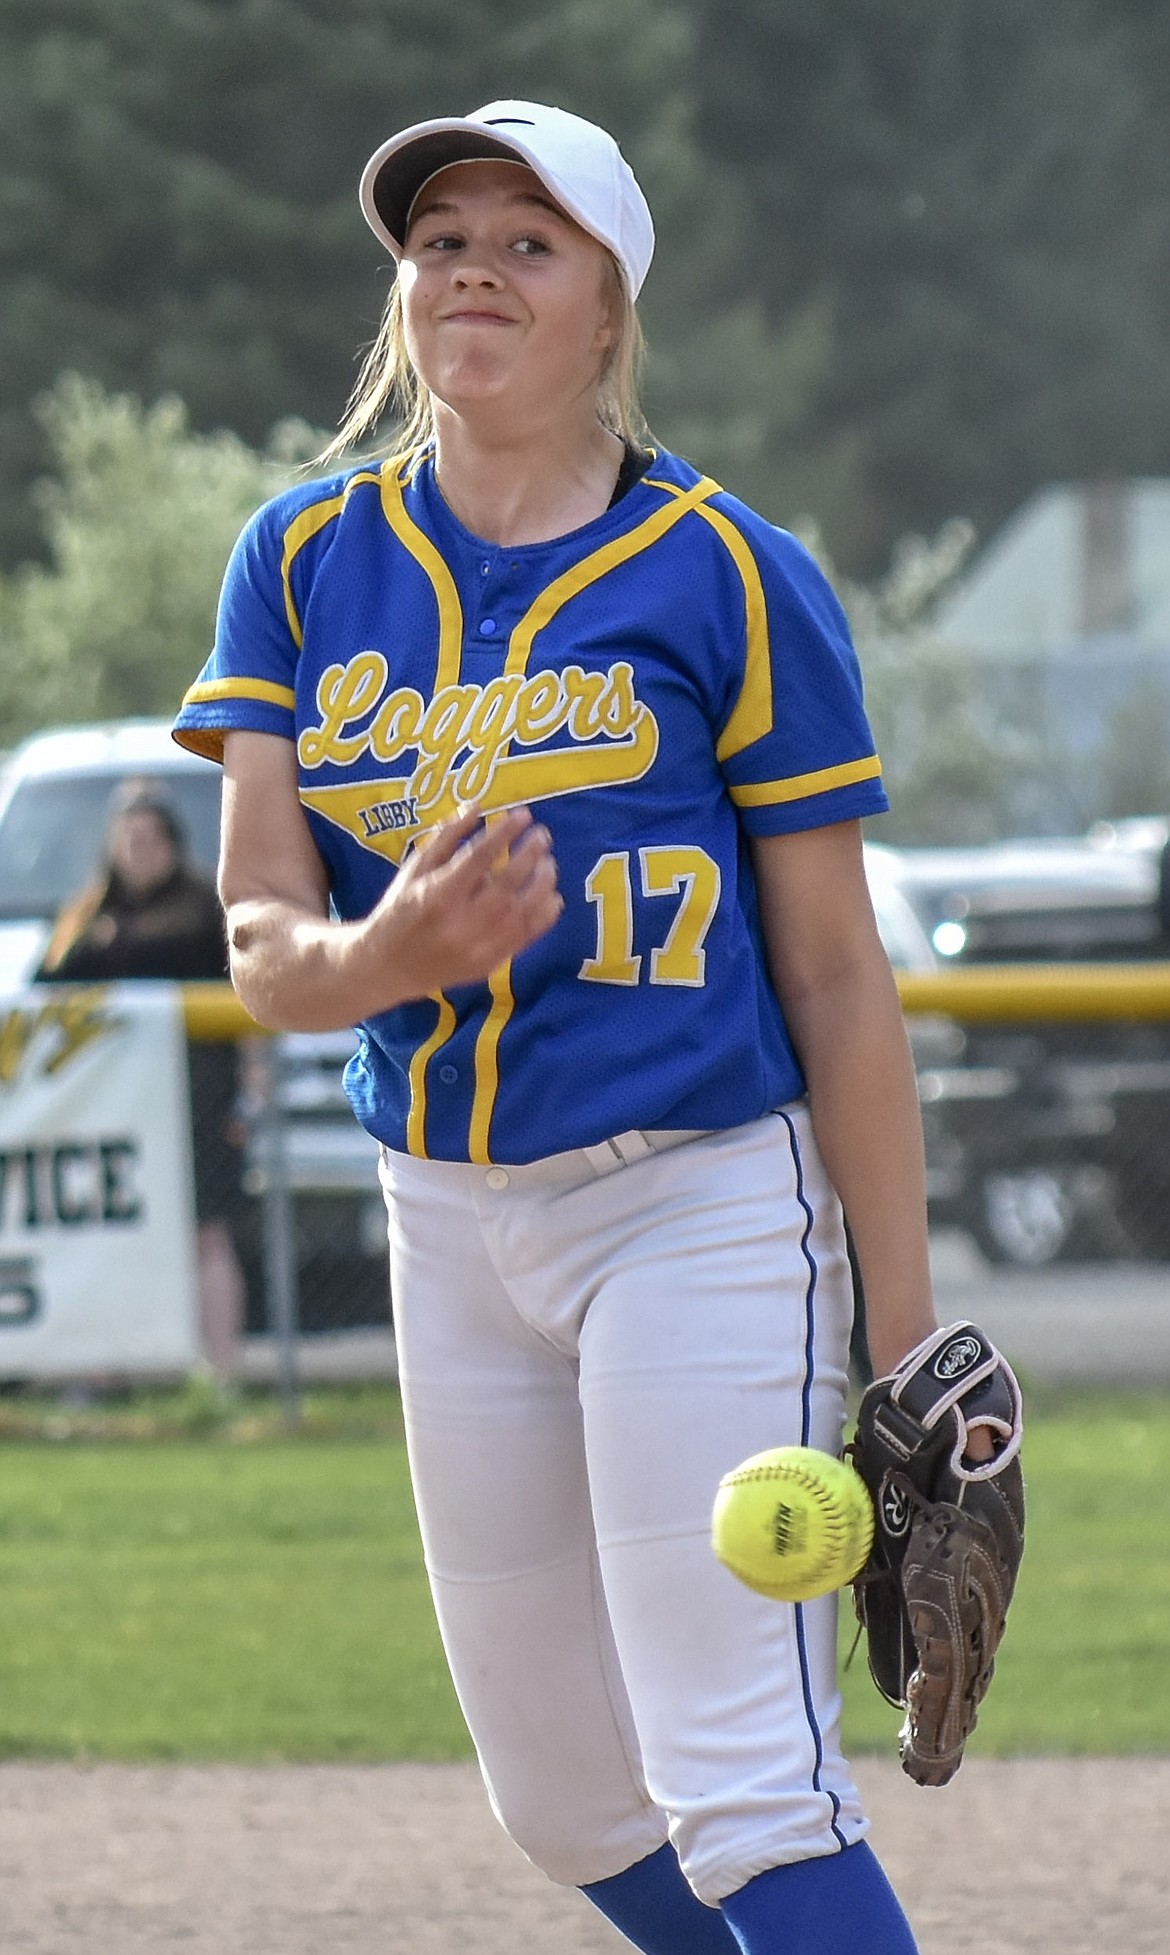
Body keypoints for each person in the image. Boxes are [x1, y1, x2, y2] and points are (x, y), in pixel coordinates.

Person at [173, 99, 959, 1954]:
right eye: (442, 240)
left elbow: (841, 976)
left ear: (611, 307)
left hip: (690, 1199)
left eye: (530, 243)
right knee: (565, 1807)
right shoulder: (300, 561)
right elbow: (261, 943)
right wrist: (388, 954)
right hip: (444, 1218)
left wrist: (911, 1339)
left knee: (745, 1785)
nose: (474, 271)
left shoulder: (729, 574)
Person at [39, 781, 247, 1379]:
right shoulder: (86, 912)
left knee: (207, 1231)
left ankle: (221, 1374)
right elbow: (45, 987)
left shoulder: (205, 908)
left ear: (173, 842)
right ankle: (102, 1370)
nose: (140, 849)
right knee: (108, 1234)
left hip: (195, 1096)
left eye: (152, 836)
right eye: (129, 837)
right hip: (106, 1104)